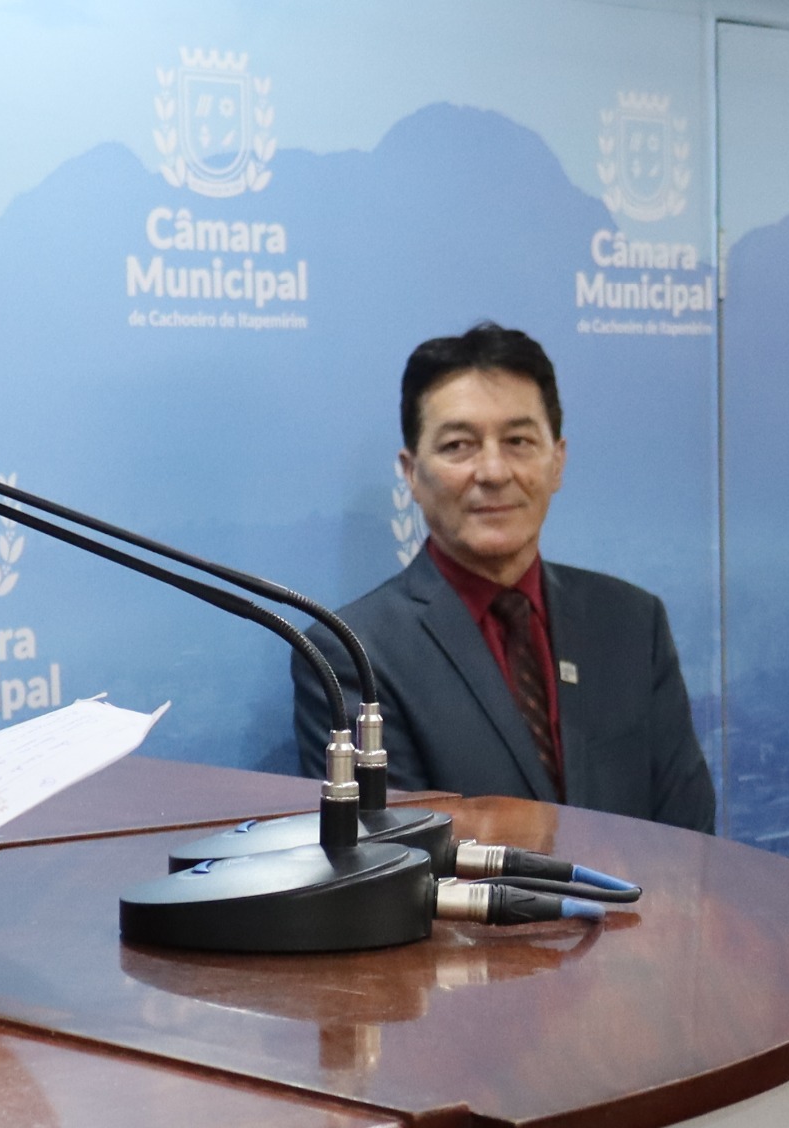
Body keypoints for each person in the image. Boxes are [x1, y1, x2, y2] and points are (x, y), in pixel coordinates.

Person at [296, 322, 715, 828]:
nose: (494, 472)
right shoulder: (354, 654)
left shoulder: (631, 622)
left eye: (518, 441)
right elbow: (391, 856)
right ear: (411, 474)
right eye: (458, 445)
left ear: (557, 462)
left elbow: (689, 834)